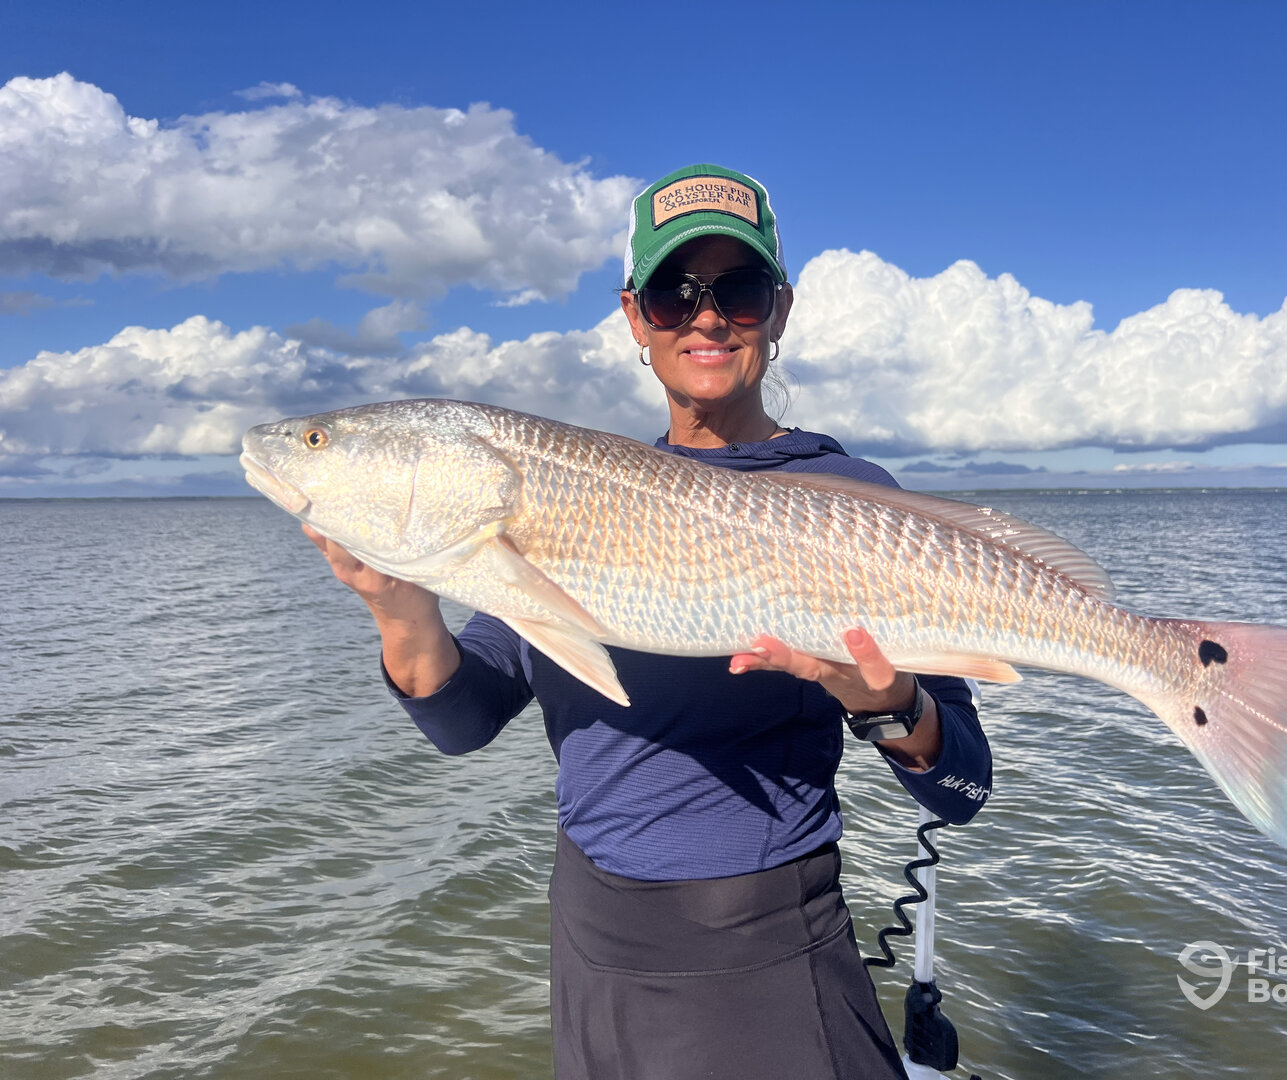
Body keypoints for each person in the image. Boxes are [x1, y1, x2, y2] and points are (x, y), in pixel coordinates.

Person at [305, 164, 993, 1080]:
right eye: (675, 293)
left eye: (739, 292)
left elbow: (965, 791)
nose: (706, 317)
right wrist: (399, 608)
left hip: (769, 950)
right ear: (636, 318)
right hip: (593, 941)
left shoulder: (853, 502)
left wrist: (890, 704)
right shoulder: (572, 488)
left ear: (778, 314)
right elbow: (464, 720)